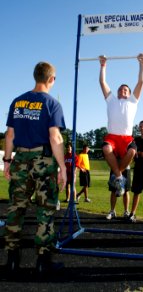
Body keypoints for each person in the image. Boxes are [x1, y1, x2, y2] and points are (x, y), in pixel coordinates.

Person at [3, 61, 67, 274]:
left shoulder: (17, 101)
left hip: (20, 159)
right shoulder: (51, 103)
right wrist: (63, 168)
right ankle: (42, 261)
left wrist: (7, 161)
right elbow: (55, 137)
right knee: (45, 210)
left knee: (16, 208)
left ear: (35, 76)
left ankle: (12, 259)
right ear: (51, 79)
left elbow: (10, 135)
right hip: (43, 161)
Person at [99, 53, 143, 196]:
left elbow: (141, 82)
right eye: (120, 89)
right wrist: (103, 65)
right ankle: (119, 177)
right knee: (106, 149)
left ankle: (116, 176)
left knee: (132, 151)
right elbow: (102, 82)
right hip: (112, 137)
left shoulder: (133, 101)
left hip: (126, 138)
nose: (122, 90)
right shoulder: (111, 100)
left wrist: (142, 64)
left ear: (130, 93)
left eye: (125, 89)